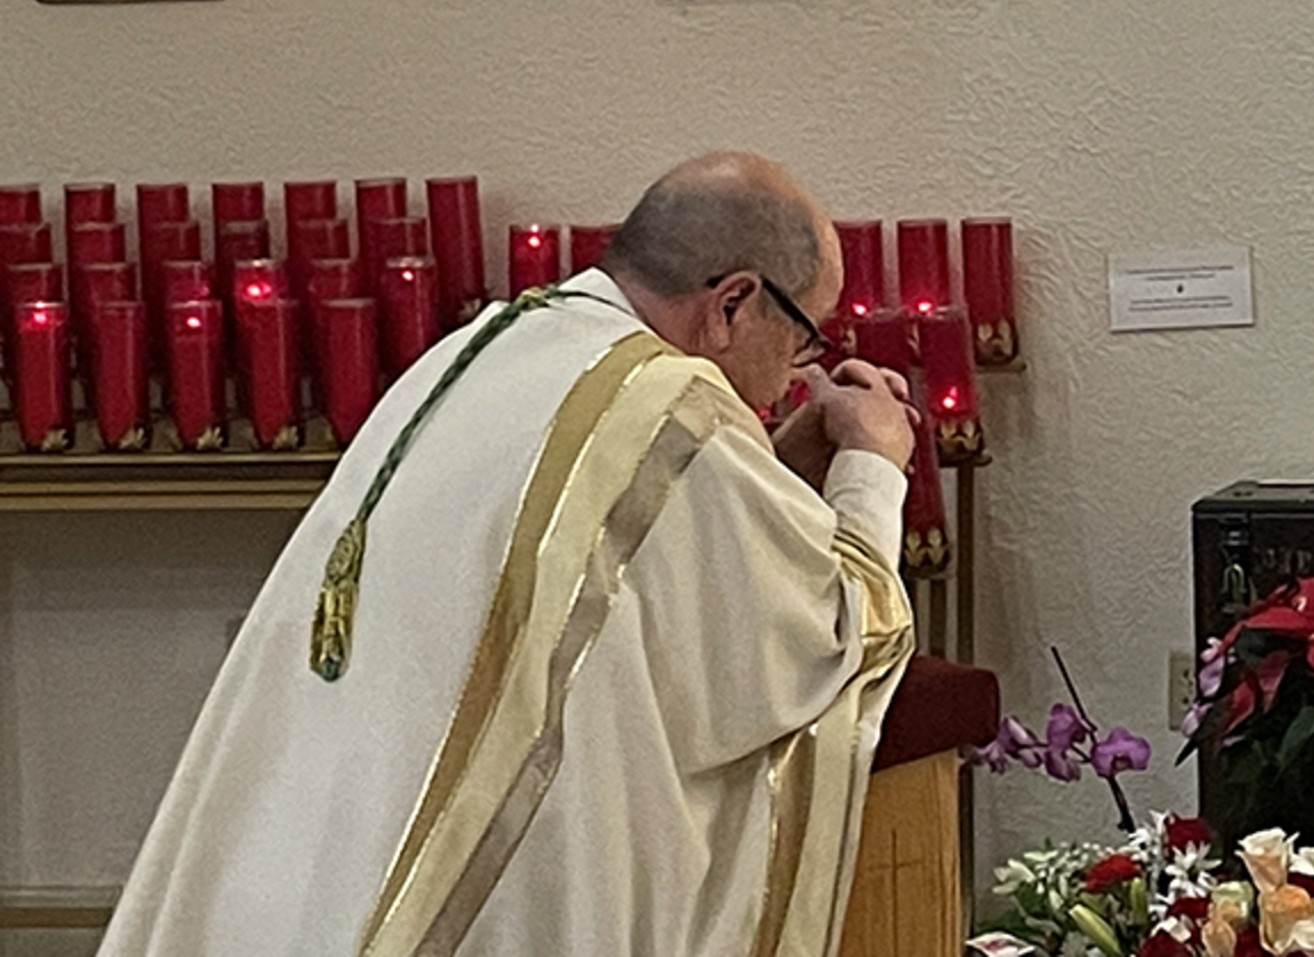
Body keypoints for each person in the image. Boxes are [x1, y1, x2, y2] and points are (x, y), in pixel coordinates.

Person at [100, 153, 916, 957]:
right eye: (803, 337)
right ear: (733, 303)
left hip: (336, 840)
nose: (796, 371)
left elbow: (645, 556)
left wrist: (775, 469)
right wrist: (873, 466)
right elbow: (832, 636)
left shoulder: (499, 343)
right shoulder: (674, 406)